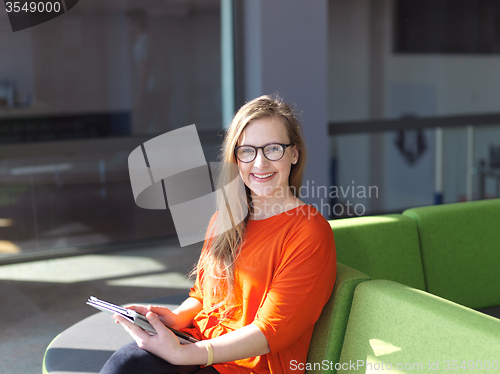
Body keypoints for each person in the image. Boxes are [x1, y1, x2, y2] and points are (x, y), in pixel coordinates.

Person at [100, 94, 337, 374]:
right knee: (124, 366)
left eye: (273, 149)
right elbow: (203, 295)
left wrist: (181, 354)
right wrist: (175, 319)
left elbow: (270, 332)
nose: (260, 163)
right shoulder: (224, 220)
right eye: (247, 151)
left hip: (249, 367)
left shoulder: (309, 231)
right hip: (198, 344)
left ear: (294, 153)